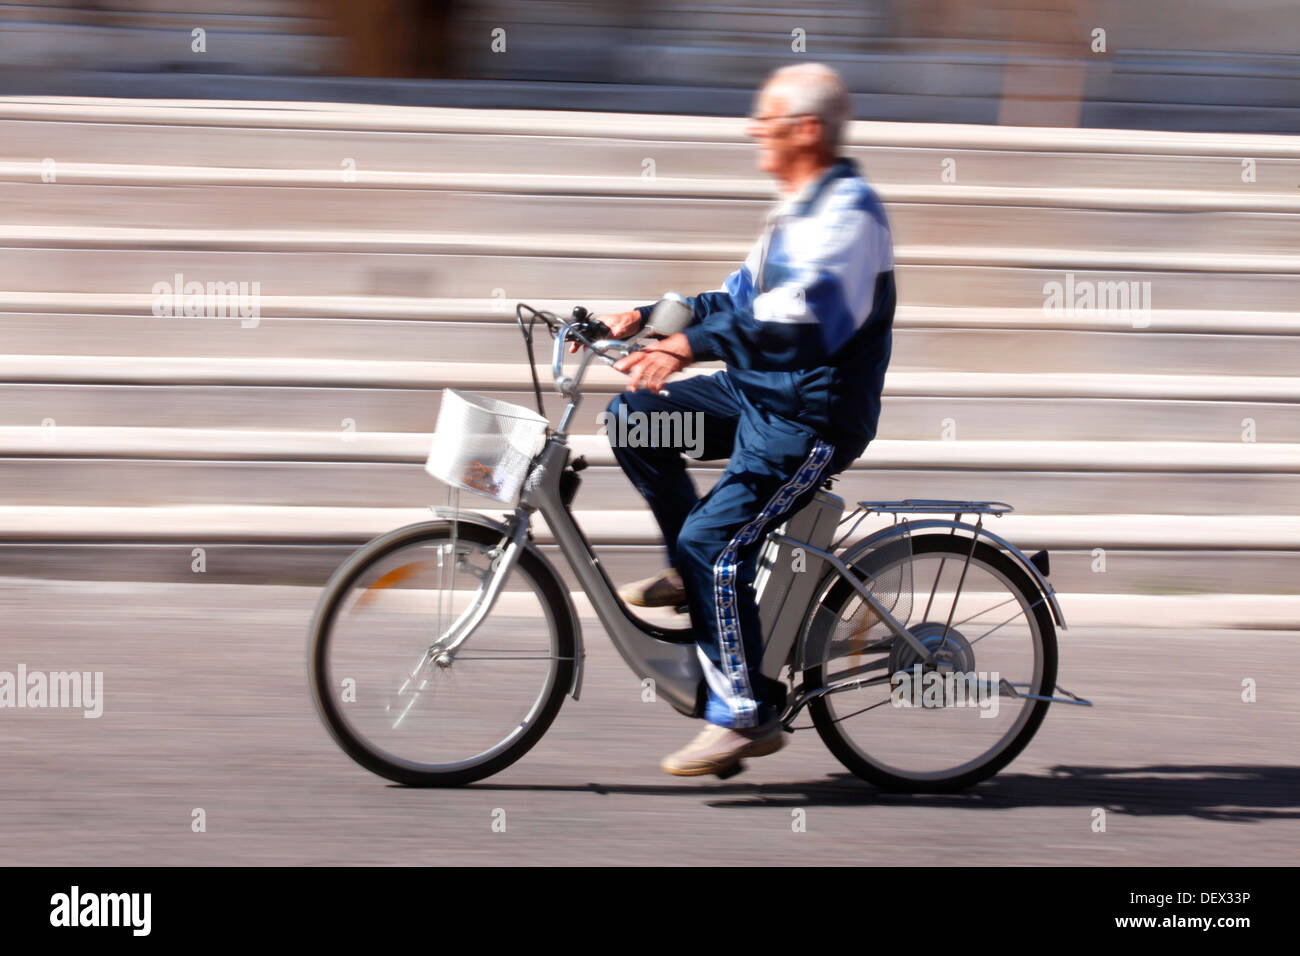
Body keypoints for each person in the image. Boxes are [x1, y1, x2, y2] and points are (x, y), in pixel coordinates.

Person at [601, 62, 896, 776]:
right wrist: (647, 316)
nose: (751, 130)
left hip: (810, 420)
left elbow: (800, 318)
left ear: (805, 129)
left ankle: (745, 713)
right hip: (758, 395)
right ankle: (692, 572)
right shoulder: (796, 208)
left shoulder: (850, 215)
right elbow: (727, 299)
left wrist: (687, 348)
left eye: (763, 120)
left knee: (715, 540)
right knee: (635, 418)